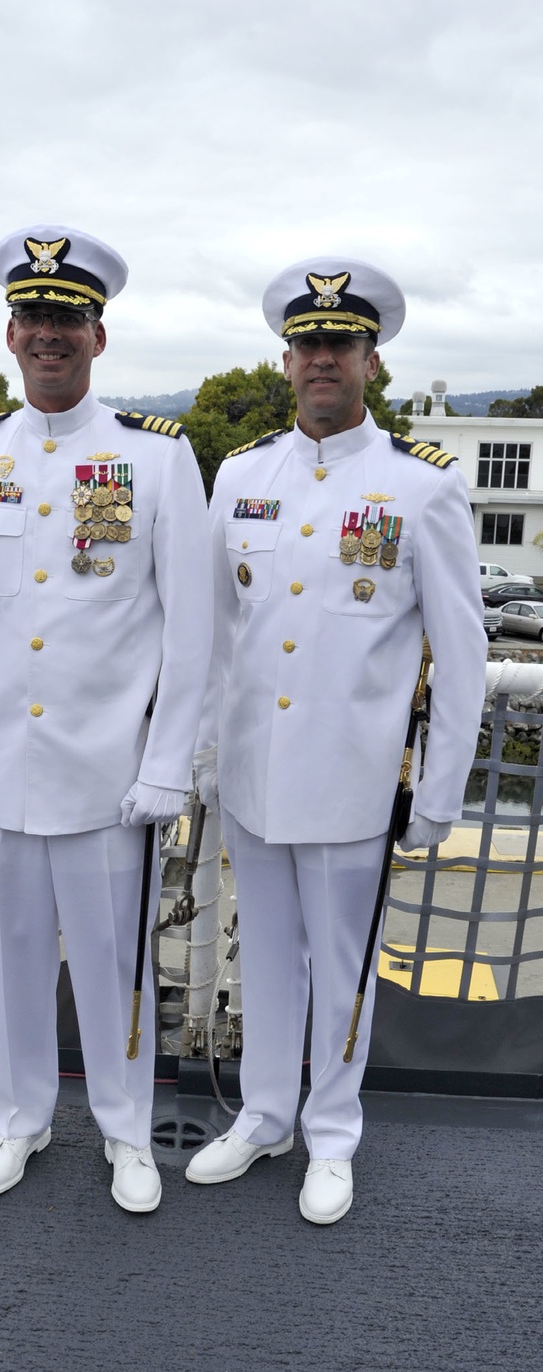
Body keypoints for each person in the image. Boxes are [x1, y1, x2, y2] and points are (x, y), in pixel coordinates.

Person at [0, 226, 212, 1213]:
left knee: (116, 971)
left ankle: (127, 1131)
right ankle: (21, 1119)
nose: (51, 335)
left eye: (68, 319)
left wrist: (167, 763)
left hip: (108, 778)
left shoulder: (158, 459)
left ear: (98, 335)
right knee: (13, 966)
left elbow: (192, 629)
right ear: (10, 333)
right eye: (35, 317)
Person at [186, 258, 487, 1223]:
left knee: (345, 963)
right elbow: (215, 636)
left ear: (371, 360)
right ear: (287, 359)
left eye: (342, 345)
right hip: (254, 773)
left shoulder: (420, 488)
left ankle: (333, 1132)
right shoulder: (240, 476)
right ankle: (266, 1113)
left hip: (354, 777)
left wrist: (437, 794)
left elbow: (463, 650)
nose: (324, 360)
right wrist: (201, 753)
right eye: (309, 344)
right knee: (265, 955)